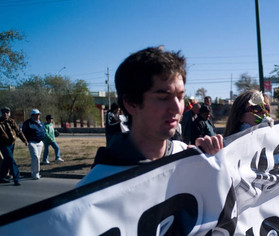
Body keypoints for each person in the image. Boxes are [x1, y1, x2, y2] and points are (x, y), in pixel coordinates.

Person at [78, 47, 223, 186]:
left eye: (180, 97)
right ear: (131, 104)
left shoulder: (186, 155)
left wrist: (212, 161)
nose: (176, 108)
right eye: (162, 98)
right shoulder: (93, 189)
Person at [0, 106, 28, 186]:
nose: (5, 114)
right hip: (3, 144)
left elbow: (18, 131)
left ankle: (1, 177)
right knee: (11, 160)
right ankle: (17, 178)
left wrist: (24, 140)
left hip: (11, 144)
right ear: (1, 113)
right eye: (4, 112)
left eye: (7, 112)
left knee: (6, 161)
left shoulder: (11, 121)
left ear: (9, 113)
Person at [22, 109, 46, 180]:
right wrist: (26, 140)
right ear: (32, 115)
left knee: (37, 158)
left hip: (40, 142)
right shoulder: (28, 123)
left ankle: (35, 173)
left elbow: (43, 131)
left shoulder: (41, 123)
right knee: (35, 157)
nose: (38, 116)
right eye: (36, 114)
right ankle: (35, 173)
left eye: (38, 114)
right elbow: (24, 132)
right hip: (32, 142)